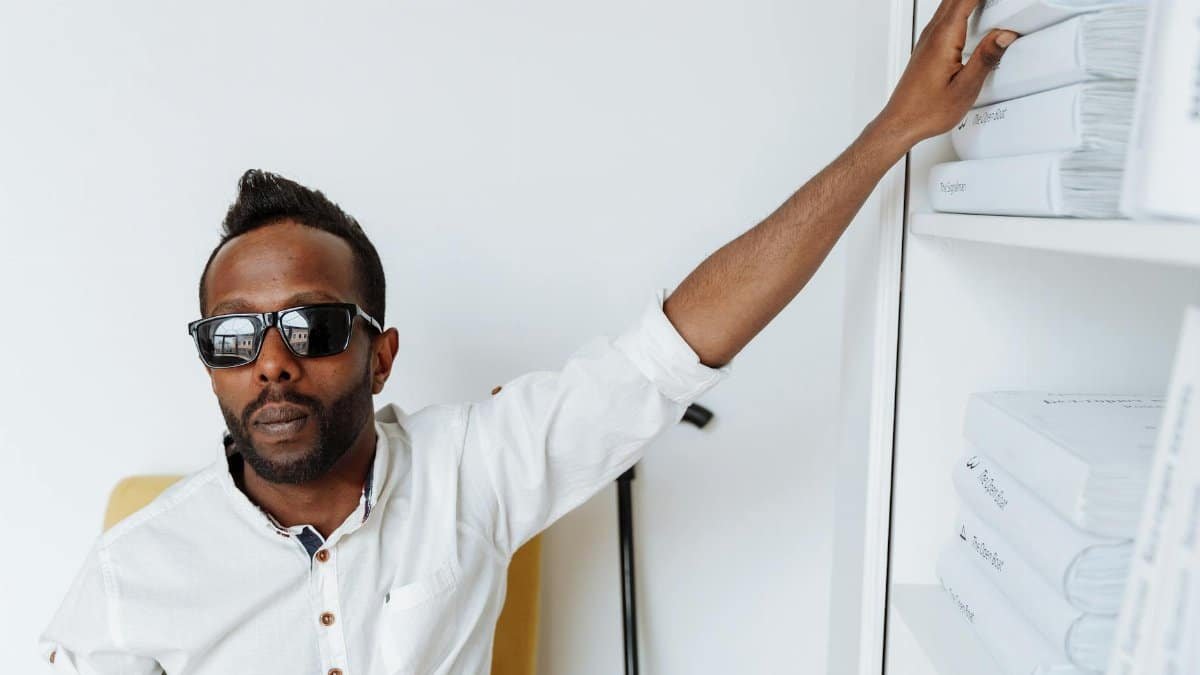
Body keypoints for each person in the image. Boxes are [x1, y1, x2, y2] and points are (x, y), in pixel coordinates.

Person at [38, 2, 1017, 672]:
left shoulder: (474, 470)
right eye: (234, 338)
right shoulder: (134, 578)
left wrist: (890, 134)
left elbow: (670, 350)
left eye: (313, 326)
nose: (273, 363)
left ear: (381, 356)